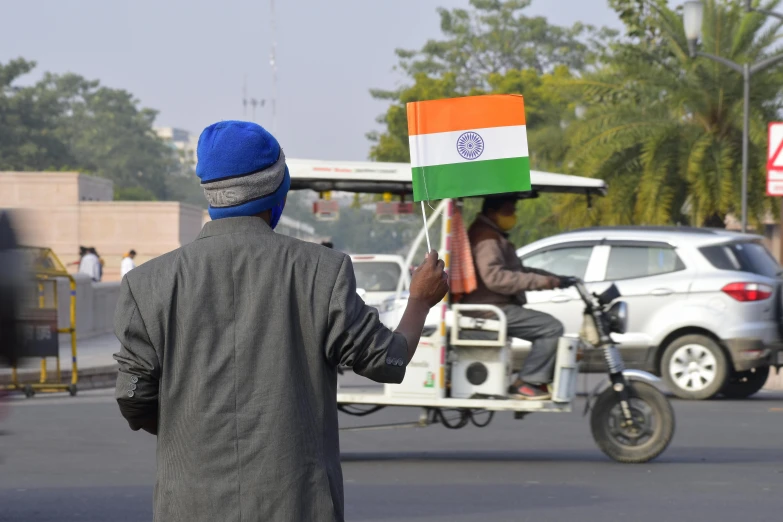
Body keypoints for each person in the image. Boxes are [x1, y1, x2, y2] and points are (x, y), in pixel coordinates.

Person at [112, 120, 448, 522]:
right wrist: (420, 301)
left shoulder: (148, 283)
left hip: (189, 504)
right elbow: (388, 360)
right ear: (277, 189)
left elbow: (133, 396)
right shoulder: (322, 272)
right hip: (298, 505)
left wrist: (193, 433)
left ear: (210, 193)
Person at [462, 195, 565, 400]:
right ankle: (527, 382)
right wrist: (542, 282)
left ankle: (531, 380)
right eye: (508, 212)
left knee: (549, 326)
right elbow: (495, 278)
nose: (513, 217)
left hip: (494, 306)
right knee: (551, 328)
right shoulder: (487, 239)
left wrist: (552, 279)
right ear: (492, 212)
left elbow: (517, 270)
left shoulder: (492, 235)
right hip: (489, 309)